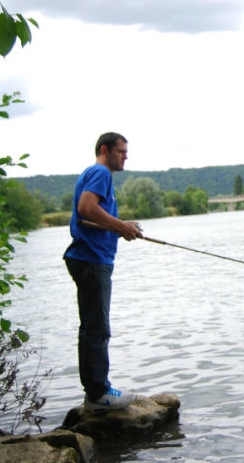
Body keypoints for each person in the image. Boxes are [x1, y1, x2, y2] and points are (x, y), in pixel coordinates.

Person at [63, 132, 142, 411]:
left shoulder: (93, 173)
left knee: (91, 329)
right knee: (97, 329)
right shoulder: (101, 172)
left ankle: (95, 392)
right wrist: (121, 227)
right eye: (121, 151)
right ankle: (99, 395)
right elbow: (86, 208)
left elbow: (88, 218)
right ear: (105, 150)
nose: (125, 156)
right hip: (92, 260)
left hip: (88, 258)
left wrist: (122, 227)